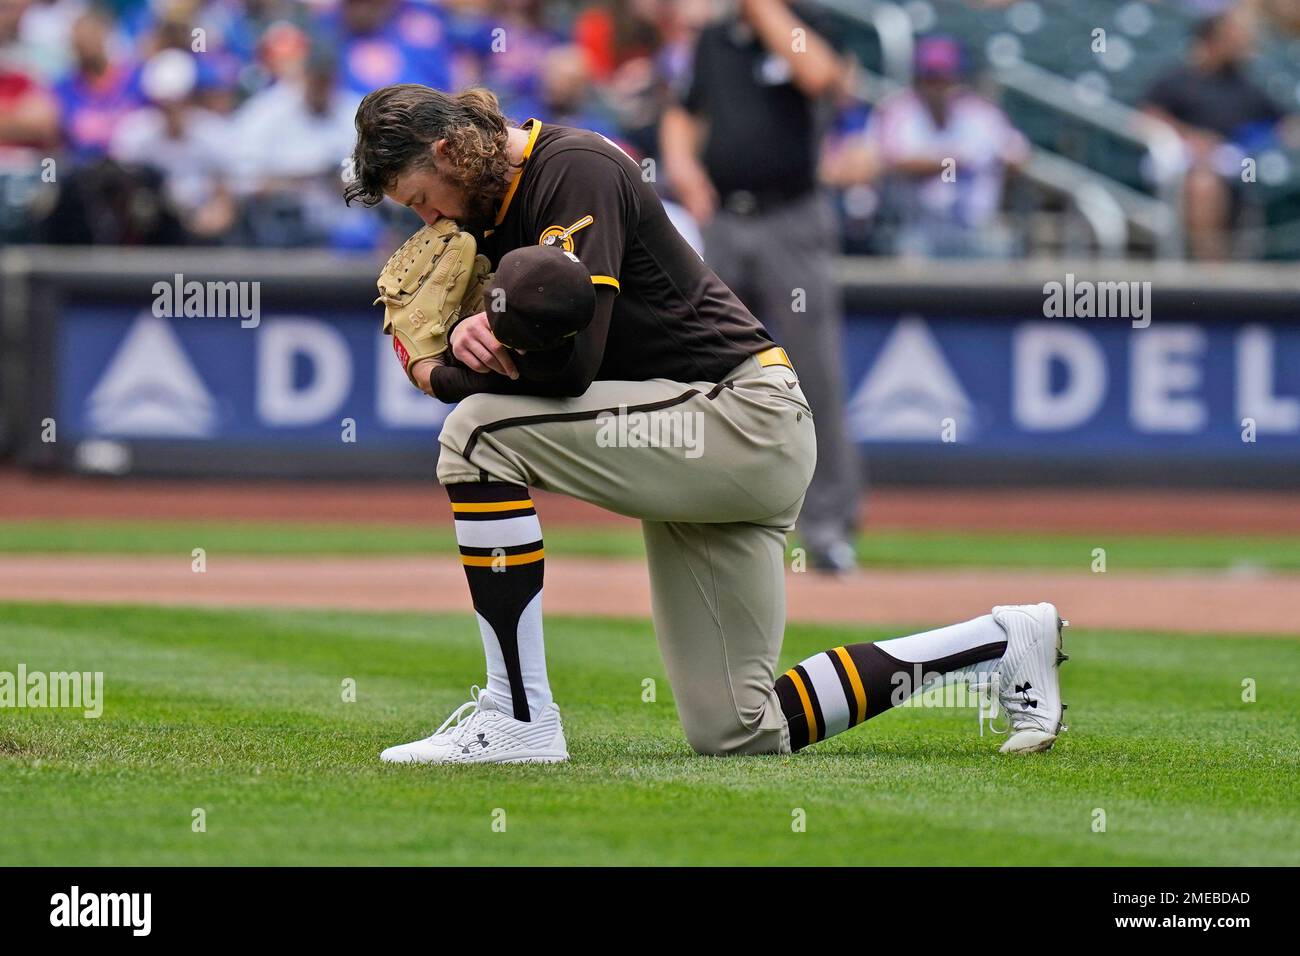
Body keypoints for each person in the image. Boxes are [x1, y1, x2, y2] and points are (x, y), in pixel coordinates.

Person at [343, 83, 1070, 763]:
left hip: (741, 417)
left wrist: (437, 372)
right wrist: (469, 342)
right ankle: (1004, 641)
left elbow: (573, 373)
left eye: (417, 198)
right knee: (738, 729)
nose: (425, 219)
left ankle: (518, 718)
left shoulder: (571, 169)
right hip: (698, 440)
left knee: (474, 436)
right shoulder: (492, 210)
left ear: (445, 153)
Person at [659, 0, 861, 573]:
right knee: (712, 371)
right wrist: (683, 165)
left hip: (791, 220)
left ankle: (827, 529)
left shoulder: (809, 23)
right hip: (724, 221)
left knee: (812, 374)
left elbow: (819, 76)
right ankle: (717, 517)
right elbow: (682, 109)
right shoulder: (714, 38)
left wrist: (762, 8)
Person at [1142, 6, 1291, 259]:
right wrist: (1190, 137)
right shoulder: (1178, 79)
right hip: (1181, 157)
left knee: (1223, 173)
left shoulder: (1244, 84)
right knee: (1203, 184)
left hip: (1233, 157)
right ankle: (1211, 270)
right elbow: (1147, 117)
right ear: (1211, 39)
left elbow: (1283, 122)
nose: (1239, 42)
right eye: (1231, 35)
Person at [865, 35, 1027, 258]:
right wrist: (954, 160)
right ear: (917, 78)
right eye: (931, 77)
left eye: (945, 77)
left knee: (999, 249)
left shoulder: (982, 115)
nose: (938, 86)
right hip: (915, 230)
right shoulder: (898, 110)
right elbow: (891, 160)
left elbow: (1017, 157)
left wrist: (999, 163)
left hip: (975, 230)